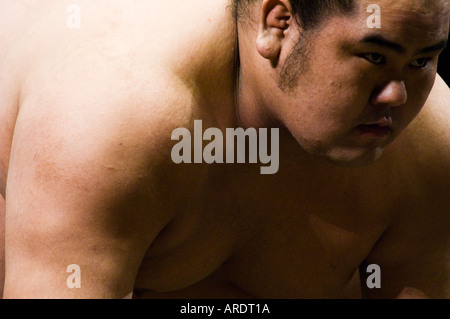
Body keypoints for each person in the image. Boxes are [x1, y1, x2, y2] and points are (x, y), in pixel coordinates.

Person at [0, 0, 449, 299]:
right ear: (280, 24)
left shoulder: (430, 152)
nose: (397, 96)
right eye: (374, 57)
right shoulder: (105, 117)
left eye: (422, 61)